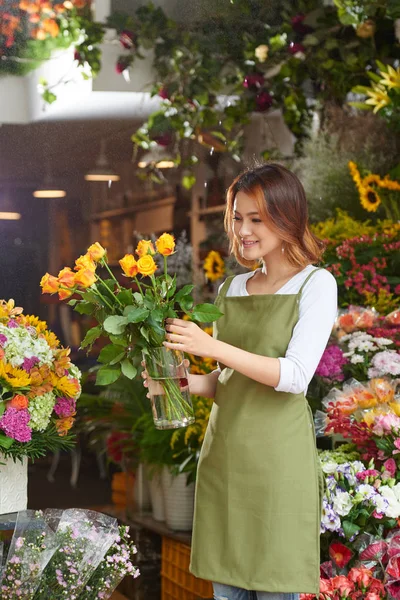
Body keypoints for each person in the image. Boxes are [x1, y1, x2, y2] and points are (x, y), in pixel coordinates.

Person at [142, 163, 338, 600]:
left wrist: (213, 349)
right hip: (225, 461)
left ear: (287, 218)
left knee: (275, 587)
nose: (243, 230)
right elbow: (229, 378)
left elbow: (294, 376)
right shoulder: (232, 288)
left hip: (277, 466)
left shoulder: (316, 285)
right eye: (237, 217)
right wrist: (184, 384)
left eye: (256, 219)